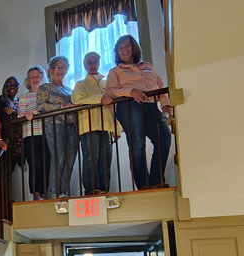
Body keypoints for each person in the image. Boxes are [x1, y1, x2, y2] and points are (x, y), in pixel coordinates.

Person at [105, 35, 173, 190]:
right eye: (120, 48)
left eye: (126, 46)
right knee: (137, 143)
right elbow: (110, 92)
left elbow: (160, 86)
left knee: (164, 137)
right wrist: (131, 91)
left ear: (134, 47)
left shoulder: (147, 65)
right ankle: (143, 184)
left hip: (150, 106)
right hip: (129, 106)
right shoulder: (115, 71)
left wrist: (166, 106)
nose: (124, 50)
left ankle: (156, 180)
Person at [72, 52, 119, 195]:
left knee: (106, 158)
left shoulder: (108, 83)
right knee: (91, 158)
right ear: (85, 65)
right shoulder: (80, 84)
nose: (93, 65)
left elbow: (115, 107)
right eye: (89, 62)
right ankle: (91, 189)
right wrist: (100, 98)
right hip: (88, 126)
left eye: (95, 62)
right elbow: (77, 100)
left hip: (106, 125)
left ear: (99, 63)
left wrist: (117, 129)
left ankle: (104, 189)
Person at [37, 55, 79, 198]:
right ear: (50, 70)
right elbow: (41, 106)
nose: (60, 70)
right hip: (54, 124)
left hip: (72, 126)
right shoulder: (45, 87)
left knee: (70, 159)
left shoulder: (70, 90)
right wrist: (62, 106)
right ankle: (53, 193)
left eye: (63, 67)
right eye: (57, 67)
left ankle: (62, 192)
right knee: (59, 157)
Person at [17, 65, 51, 200]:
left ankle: (46, 193)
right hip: (30, 134)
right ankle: (37, 194)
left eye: (38, 76)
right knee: (35, 163)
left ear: (43, 77)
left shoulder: (48, 94)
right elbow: (20, 116)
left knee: (47, 162)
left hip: (47, 133)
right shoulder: (25, 97)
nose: (36, 79)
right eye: (32, 77)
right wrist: (27, 114)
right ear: (28, 80)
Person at [0, 76, 20, 157]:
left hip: (18, 140)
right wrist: (4, 110)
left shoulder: (21, 101)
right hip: (4, 137)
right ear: (5, 86)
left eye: (15, 85)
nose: (12, 87)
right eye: (9, 84)